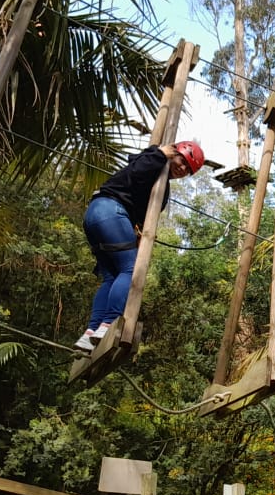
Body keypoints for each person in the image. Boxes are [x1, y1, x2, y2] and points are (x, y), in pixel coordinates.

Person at [74, 141, 205, 351]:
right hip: (110, 211)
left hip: (96, 214)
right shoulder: (154, 158)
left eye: (187, 170)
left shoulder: (162, 187)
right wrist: (160, 154)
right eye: (182, 161)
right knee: (130, 269)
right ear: (174, 152)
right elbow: (137, 171)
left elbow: (142, 212)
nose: (182, 169)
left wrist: (138, 232)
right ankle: (107, 324)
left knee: (112, 276)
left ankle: (90, 332)